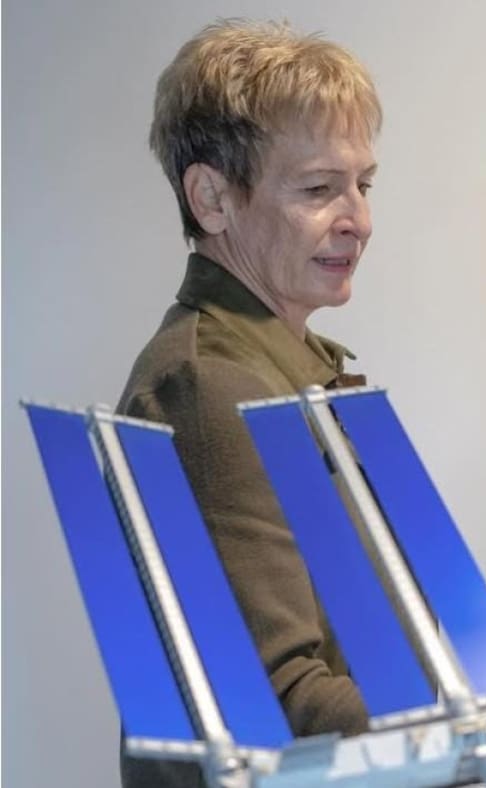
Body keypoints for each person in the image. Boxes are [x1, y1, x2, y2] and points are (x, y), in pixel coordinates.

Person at [117, 19, 380, 787]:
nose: (358, 219)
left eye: (364, 184)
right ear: (212, 199)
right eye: (319, 187)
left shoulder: (274, 369)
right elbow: (282, 699)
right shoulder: (211, 389)